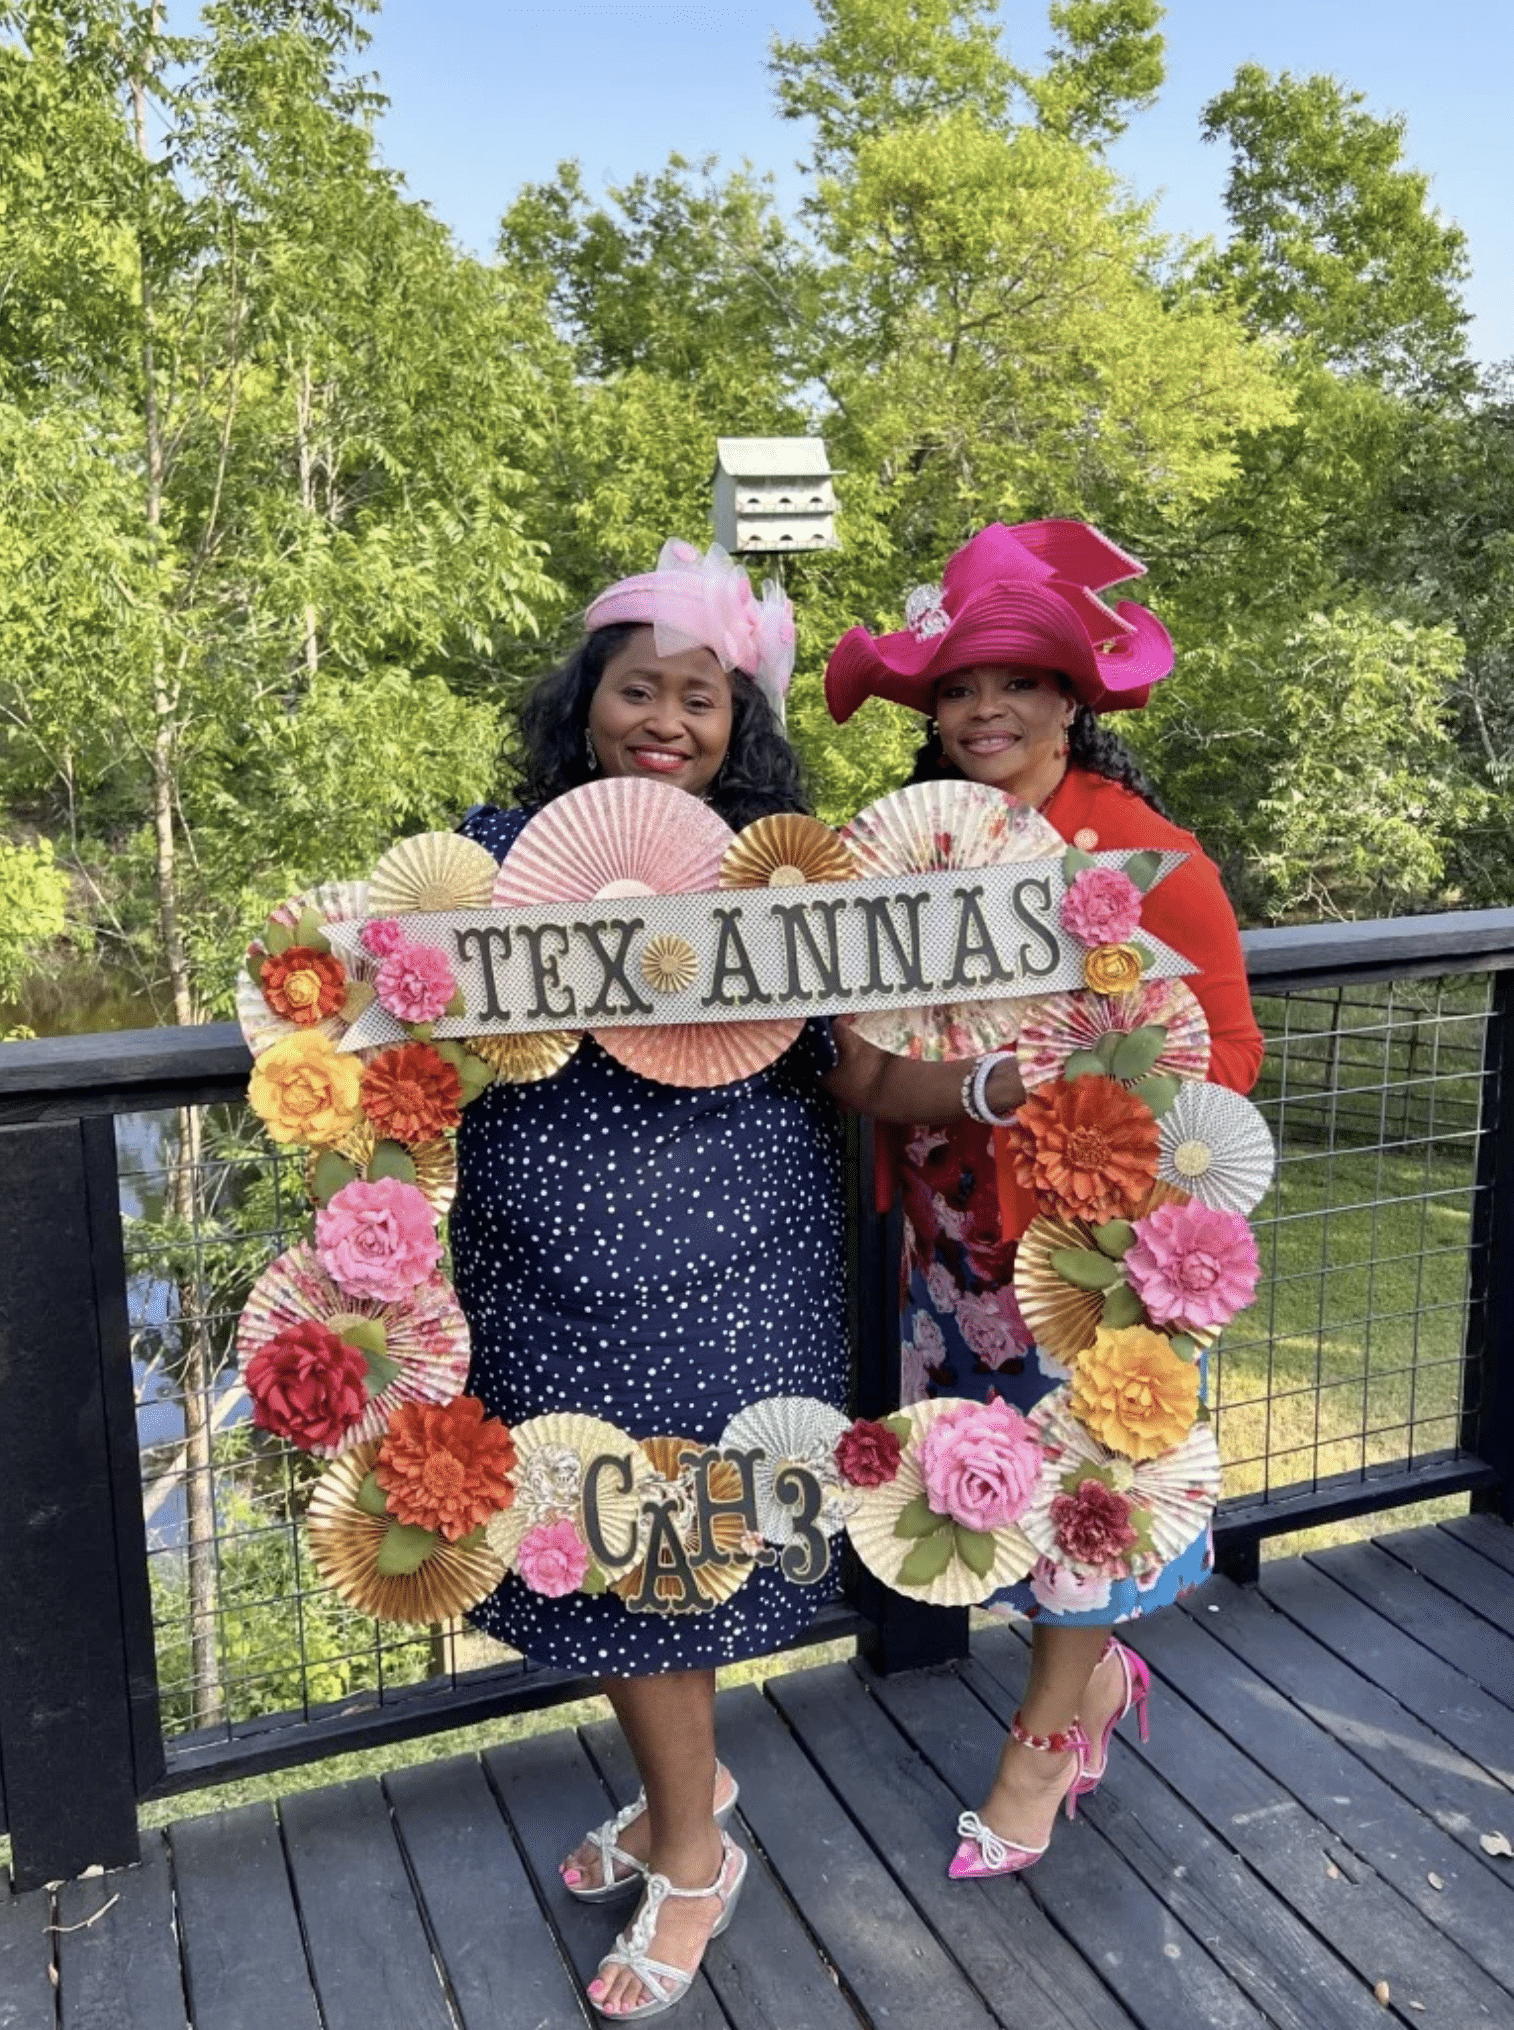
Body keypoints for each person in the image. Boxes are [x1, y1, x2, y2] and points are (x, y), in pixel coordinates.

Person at [822, 520, 1265, 1878]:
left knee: (1087, 1495)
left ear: (1071, 696)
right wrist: (978, 1090)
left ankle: (1038, 1747)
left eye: (1014, 680)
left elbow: (1222, 1062)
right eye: (955, 687)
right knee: (988, 1487)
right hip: (950, 1243)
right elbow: (857, 1068)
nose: (982, 709)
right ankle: (1090, 1687)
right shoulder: (891, 861)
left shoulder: (1143, 852)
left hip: (1096, 1246)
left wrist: (1081, 1110)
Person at [449, 541, 847, 2018]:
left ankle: (692, 1852)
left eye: (701, 696)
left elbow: (834, 1056)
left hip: (729, 1260)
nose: (665, 719)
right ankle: (687, 1786)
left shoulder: (790, 873)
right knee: (579, 1523)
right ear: (588, 702)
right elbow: (405, 1014)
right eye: (638, 689)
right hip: (539, 1262)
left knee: (665, 1552)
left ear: (738, 723)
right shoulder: (490, 852)